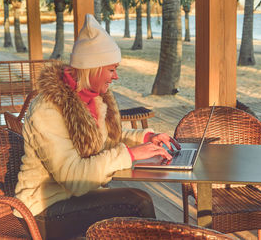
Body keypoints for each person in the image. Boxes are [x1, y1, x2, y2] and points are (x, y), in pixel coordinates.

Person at [15, 14, 180, 240]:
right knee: (137, 203)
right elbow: (74, 177)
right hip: (44, 208)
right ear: (91, 68)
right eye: (111, 70)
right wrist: (129, 155)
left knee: (135, 202)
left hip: (76, 197)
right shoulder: (48, 109)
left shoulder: (92, 99)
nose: (116, 76)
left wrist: (145, 139)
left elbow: (108, 141)